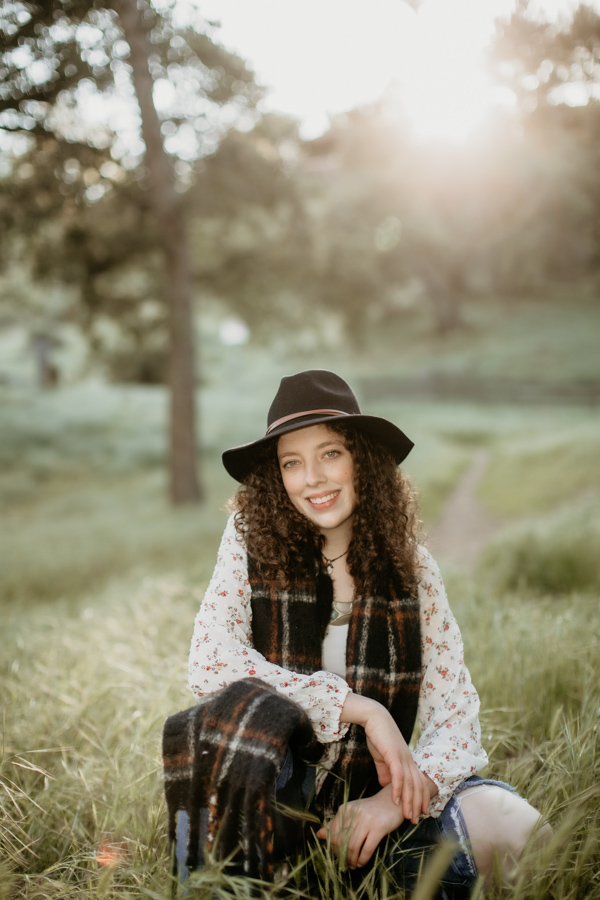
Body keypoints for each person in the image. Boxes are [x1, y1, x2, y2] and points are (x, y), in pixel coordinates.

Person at [178, 369, 550, 896]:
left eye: (330, 453)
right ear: (276, 478)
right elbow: (211, 664)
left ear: (363, 461)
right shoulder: (248, 547)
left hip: (376, 810)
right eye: (292, 462)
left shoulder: (413, 571)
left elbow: (456, 719)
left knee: (519, 828)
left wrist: (389, 804)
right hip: (273, 806)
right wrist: (362, 709)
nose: (312, 478)